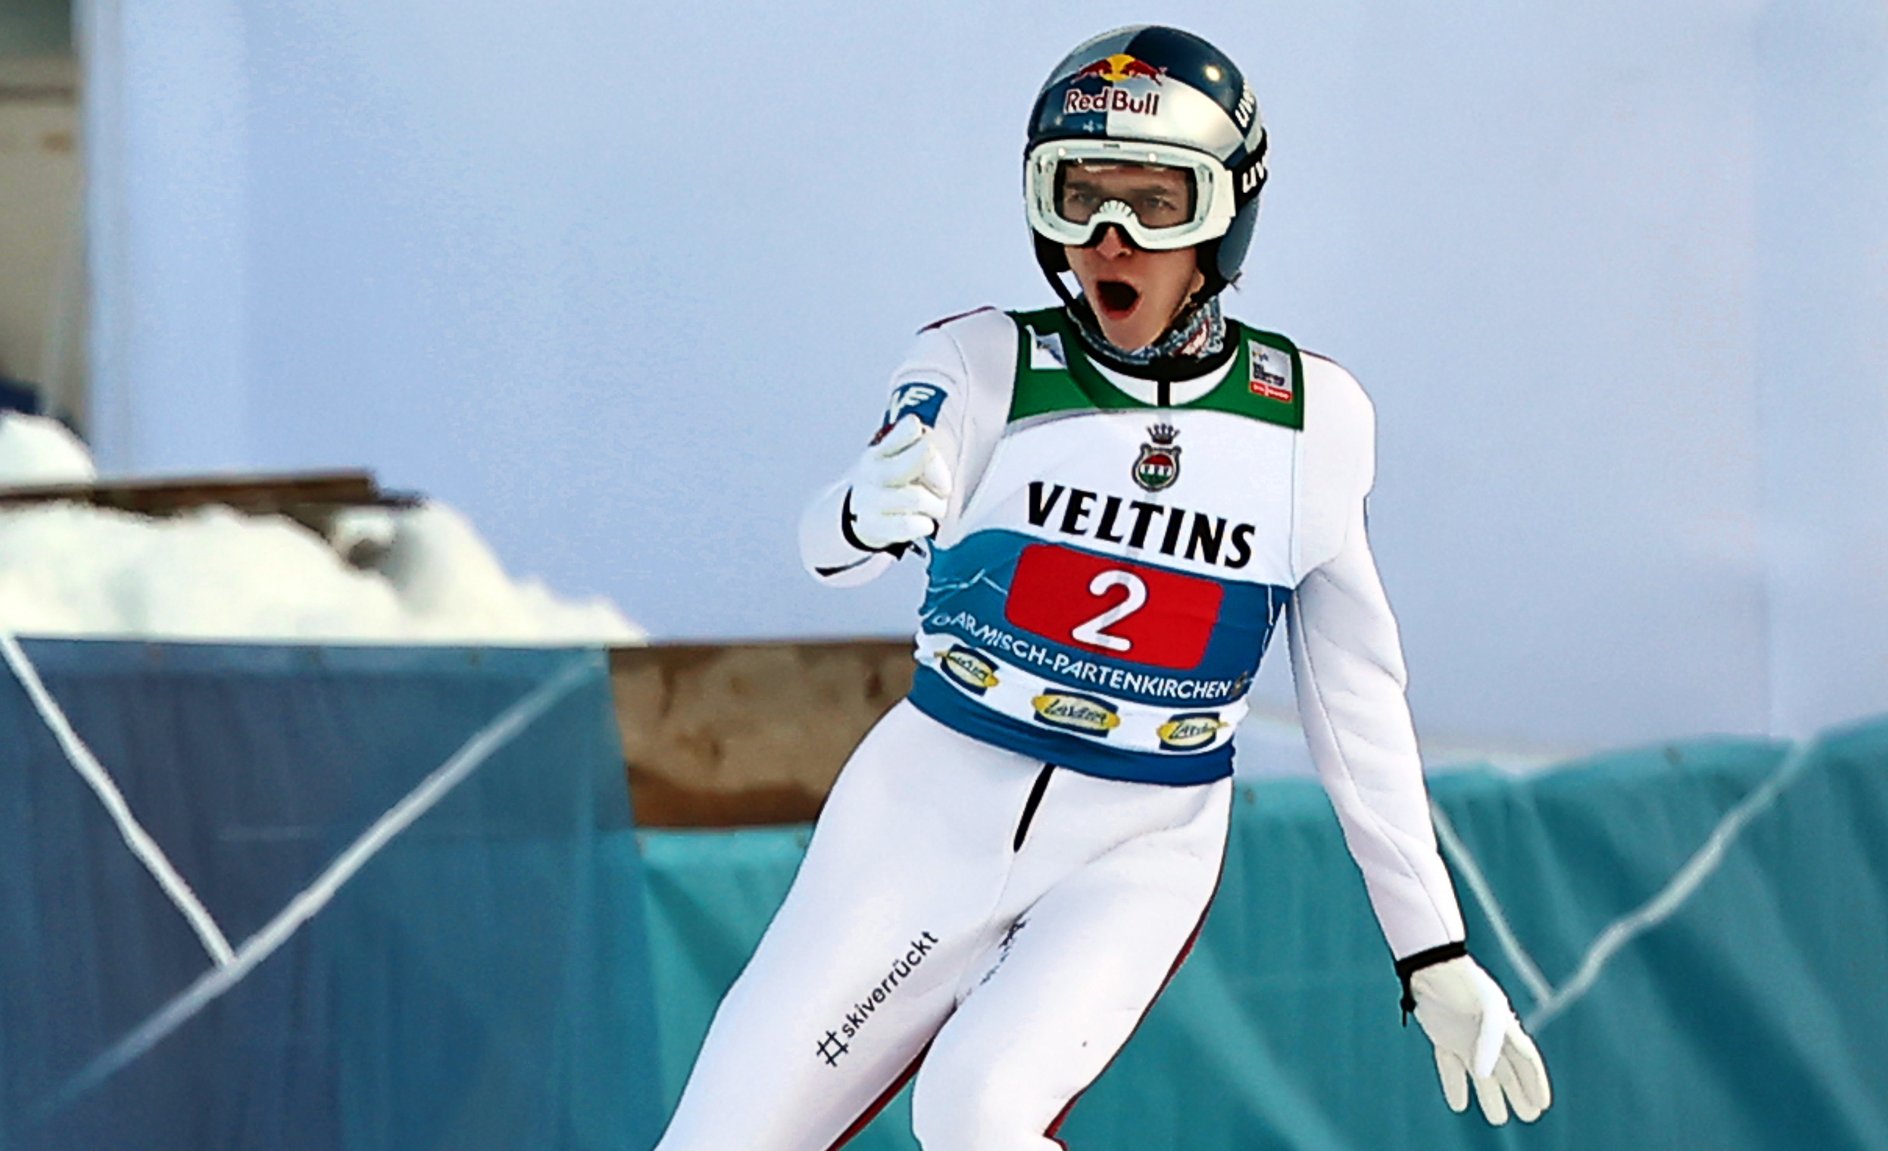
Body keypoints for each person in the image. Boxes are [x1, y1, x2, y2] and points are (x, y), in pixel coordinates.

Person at [654, 25, 1551, 1151]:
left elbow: (1355, 700)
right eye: (1076, 195)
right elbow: (830, 540)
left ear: (1226, 215)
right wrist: (855, 507)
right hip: (926, 806)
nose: (1108, 237)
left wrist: (1433, 948)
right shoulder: (978, 364)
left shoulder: (1309, 421)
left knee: (977, 1113)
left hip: (1137, 836)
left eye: (1153, 200)